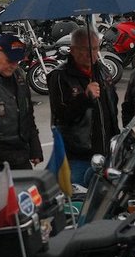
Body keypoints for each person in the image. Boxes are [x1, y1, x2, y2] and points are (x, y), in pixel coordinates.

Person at [48, 27, 119, 184]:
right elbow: (61, 116)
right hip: (78, 156)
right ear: (72, 50)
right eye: (84, 49)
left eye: (94, 48)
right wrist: (84, 98)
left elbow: (112, 109)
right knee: (79, 202)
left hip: (105, 153)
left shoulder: (103, 71)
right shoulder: (60, 76)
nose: (90, 53)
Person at [0, 34, 43, 171]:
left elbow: (28, 113)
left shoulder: (19, 75)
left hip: (21, 155)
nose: (13, 66)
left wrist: (35, 146)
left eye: (17, 61)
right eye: (10, 61)